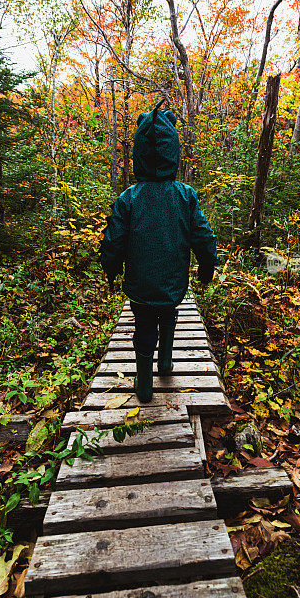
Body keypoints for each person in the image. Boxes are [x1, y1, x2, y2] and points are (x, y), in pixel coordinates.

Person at [99, 99, 219, 403]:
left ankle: (144, 383)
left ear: (139, 153)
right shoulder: (185, 195)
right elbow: (204, 237)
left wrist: (110, 270)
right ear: (172, 153)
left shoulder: (129, 197)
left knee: (143, 326)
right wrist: (207, 267)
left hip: (139, 285)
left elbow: (113, 240)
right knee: (168, 314)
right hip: (173, 282)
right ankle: (165, 363)